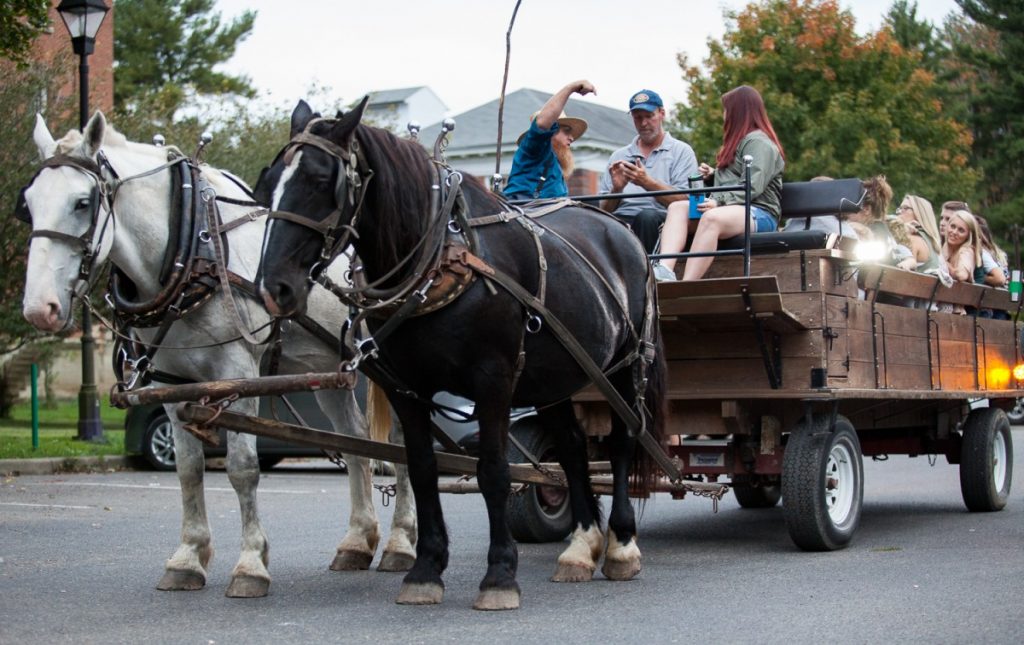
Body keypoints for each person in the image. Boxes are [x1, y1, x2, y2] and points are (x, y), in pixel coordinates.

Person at [656, 85, 785, 281]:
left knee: (712, 218)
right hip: (734, 209)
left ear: (738, 112)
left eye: (726, 110)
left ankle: (687, 284)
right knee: (677, 208)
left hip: (758, 212)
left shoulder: (759, 142)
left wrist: (719, 202)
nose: (724, 116)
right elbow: (738, 177)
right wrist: (714, 175)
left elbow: (752, 186)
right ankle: (664, 270)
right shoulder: (741, 141)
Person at [598, 89, 697, 253]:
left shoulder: (681, 151)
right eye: (638, 117)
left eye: (649, 116)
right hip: (622, 222)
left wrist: (647, 183)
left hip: (662, 221)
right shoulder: (619, 155)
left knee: (646, 217)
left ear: (662, 114)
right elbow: (604, 210)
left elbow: (686, 203)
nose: (643, 123)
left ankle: (648, 275)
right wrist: (617, 189)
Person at [504, 80, 594, 201]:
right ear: (551, 131)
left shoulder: (554, 162)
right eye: (566, 131)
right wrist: (571, 88)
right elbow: (542, 124)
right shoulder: (534, 147)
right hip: (528, 211)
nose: (571, 138)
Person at [894, 195, 941, 273]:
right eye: (900, 208)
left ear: (919, 213)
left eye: (905, 208)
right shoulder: (933, 242)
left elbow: (899, 272)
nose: (899, 212)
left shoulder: (912, 239)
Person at [942, 209, 982, 284]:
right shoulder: (947, 245)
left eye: (961, 230)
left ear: (968, 236)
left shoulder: (967, 250)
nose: (954, 232)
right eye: (952, 226)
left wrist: (943, 264)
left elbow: (962, 275)